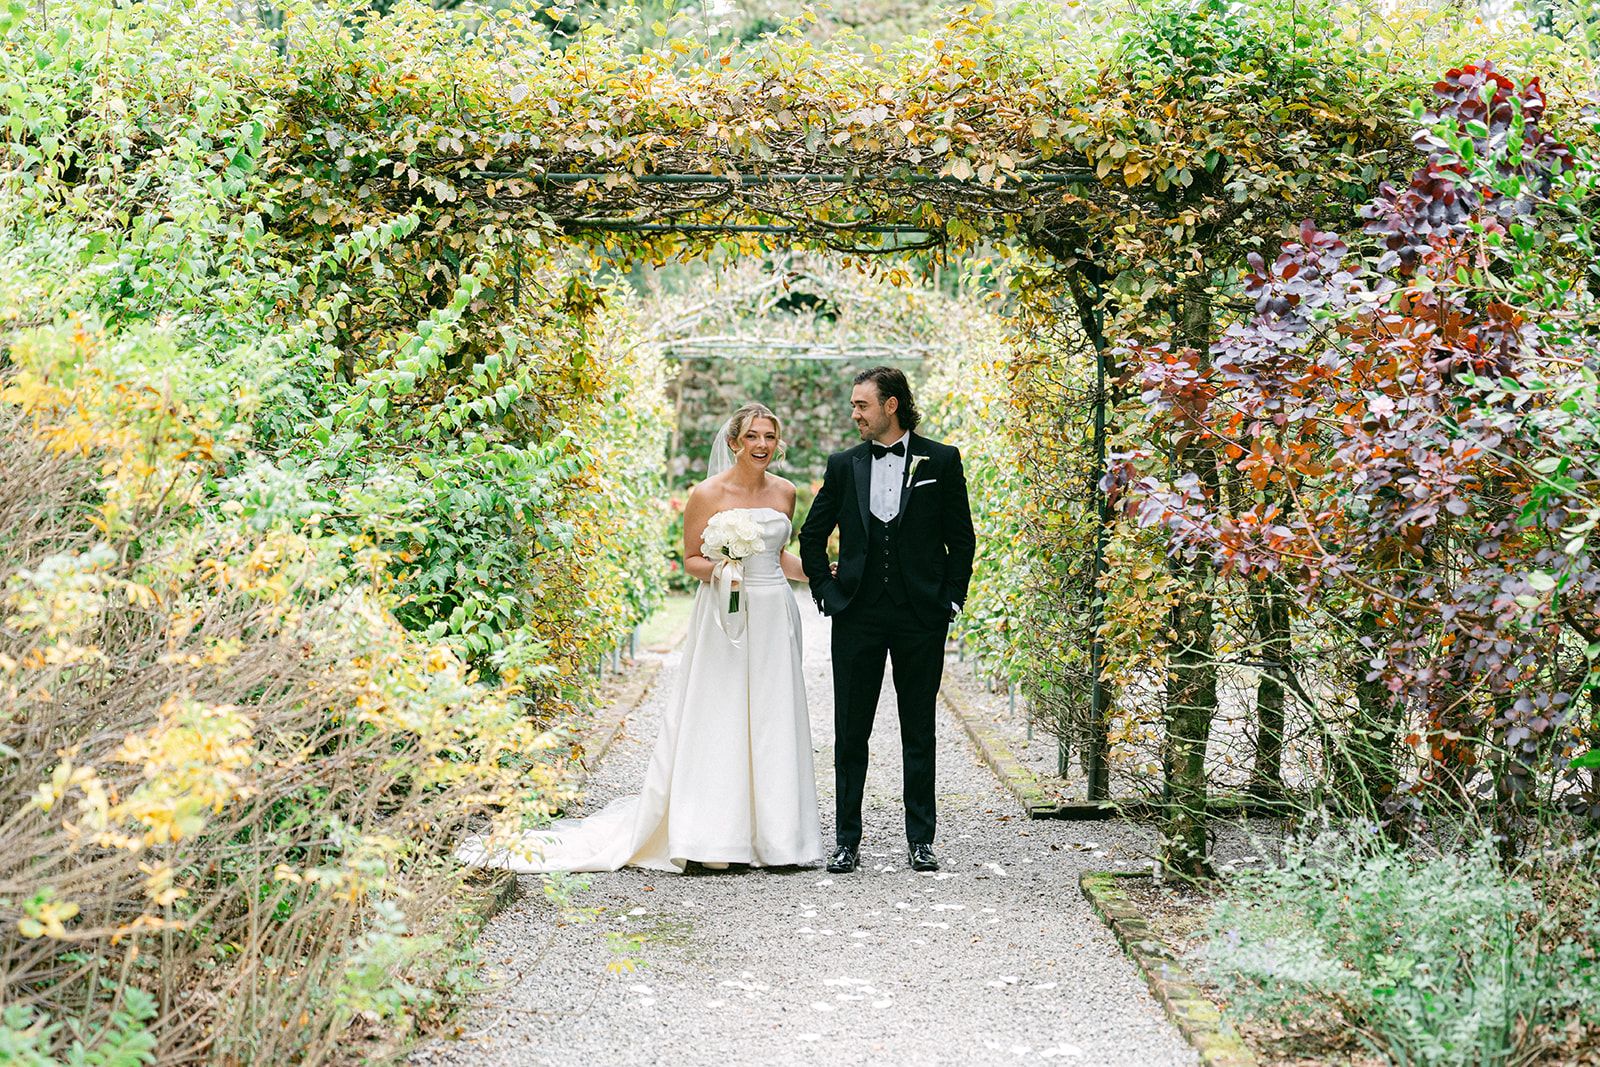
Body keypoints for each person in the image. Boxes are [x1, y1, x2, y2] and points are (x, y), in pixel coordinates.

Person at [456, 403, 823, 873]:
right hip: (724, 617)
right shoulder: (707, 494)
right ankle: (715, 837)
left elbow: (780, 557)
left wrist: (824, 576)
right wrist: (726, 568)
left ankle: (778, 839)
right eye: (752, 436)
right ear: (734, 442)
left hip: (774, 614)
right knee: (721, 713)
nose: (762, 445)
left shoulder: (786, 493)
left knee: (775, 717)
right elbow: (691, 558)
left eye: (769, 437)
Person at [798, 367, 975, 874]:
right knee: (851, 732)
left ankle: (921, 840)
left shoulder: (941, 459)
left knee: (918, 730)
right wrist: (827, 593)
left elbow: (961, 538)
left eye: (862, 405)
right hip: (857, 615)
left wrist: (952, 600)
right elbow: (813, 536)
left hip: (921, 615)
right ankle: (846, 841)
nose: (854, 414)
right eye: (854, 406)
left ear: (891, 405)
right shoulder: (843, 464)